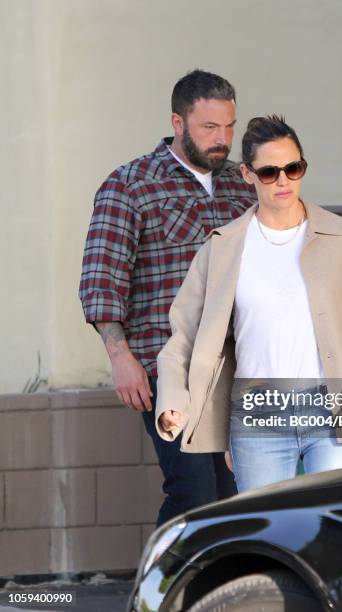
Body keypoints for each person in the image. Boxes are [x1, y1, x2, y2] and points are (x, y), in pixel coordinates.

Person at [155, 115, 342, 492]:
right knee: (270, 535)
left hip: (335, 404)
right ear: (247, 174)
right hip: (258, 412)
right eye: (270, 172)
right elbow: (185, 334)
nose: (284, 181)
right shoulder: (223, 247)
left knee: (332, 529)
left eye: (294, 168)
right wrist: (174, 399)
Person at [79, 70, 257, 524]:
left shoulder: (242, 186)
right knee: (193, 489)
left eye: (229, 127)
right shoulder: (130, 185)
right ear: (178, 123)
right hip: (167, 366)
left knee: (235, 493)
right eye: (209, 128)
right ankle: (159, 591)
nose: (223, 139)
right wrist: (120, 357)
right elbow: (102, 279)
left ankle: (216, 591)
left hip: (236, 366)